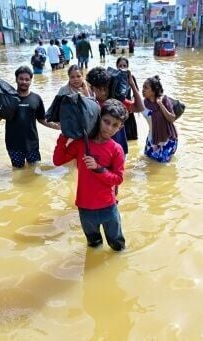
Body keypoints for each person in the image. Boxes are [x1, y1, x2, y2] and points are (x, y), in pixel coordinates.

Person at [53, 99, 128, 251]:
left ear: (120, 128)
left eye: (115, 125)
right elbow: (58, 160)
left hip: (108, 207)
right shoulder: (81, 143)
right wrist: (64, 136)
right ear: (99, 118)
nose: (109, 128)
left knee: (117, 246)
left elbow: (118, 179)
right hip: (85, 207)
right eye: (106, 121)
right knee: (93, 245)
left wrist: (98, 168)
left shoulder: (116, 149)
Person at [0, 66, 60, 168]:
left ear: (31, 81)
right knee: (18, 172)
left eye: (27, 79)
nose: (24, 82)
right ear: (16, 79)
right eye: (21, 79)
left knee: (35, 172)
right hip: (13, 146)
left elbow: (42, 119)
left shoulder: (36, 98)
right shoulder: (8, 98)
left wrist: (60, 127)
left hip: (32, 145)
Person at [86, 66, 144, 158]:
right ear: (92, 88)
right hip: (100, 151)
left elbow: (140, 108)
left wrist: (132, 84)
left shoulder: (116, 103)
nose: (103, 92)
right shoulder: (90, 105)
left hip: (119, 149)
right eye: (98, 89)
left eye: (105, 88)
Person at [141, 75, 178, 163]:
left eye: (146, 88)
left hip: (168, 139)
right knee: (148, 162)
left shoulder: (164, 100)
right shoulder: (143, 104)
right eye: (143, 87)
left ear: (153, 91)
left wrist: (160, 105)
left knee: (163, 165)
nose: (143, 90)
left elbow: (172, 118)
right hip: (152, 139)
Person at [116, 56, 138, 140]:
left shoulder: (131, 77)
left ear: (127, 67)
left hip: (129, 108)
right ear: (117, 66)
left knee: (130, 137)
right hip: (117, 109)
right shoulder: (113, 77)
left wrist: (132, 102)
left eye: (124, 66)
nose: (122, 68)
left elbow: (136, 93)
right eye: (120, 66)